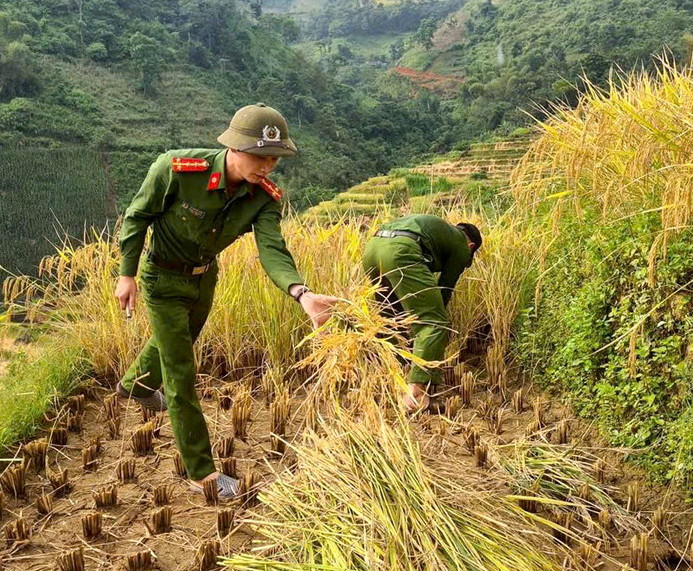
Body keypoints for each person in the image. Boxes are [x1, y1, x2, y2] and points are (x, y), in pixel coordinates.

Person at [114, 103, 337, 499]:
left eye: (274, 158)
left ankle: (134, 385)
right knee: (181, 373)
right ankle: (203, 474)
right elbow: (137, 216)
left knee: (177, 343)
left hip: (204, 280)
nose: (267, 166)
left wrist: (300, 293)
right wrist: (126, 273)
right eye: (260, 156)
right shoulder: (177, 169)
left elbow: (273, 249)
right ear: (233, 147)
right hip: (163, 278)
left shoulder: (264, 198)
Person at [361, 214, 481, 413]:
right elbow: (444, 289)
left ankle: (391, 382)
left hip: (372, 249)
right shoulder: (462, 246)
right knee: (434, 322)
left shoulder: (442, 231)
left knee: (392, 319)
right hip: (401, 252)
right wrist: (428, 331)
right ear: (471, 247)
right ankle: (417, 395)